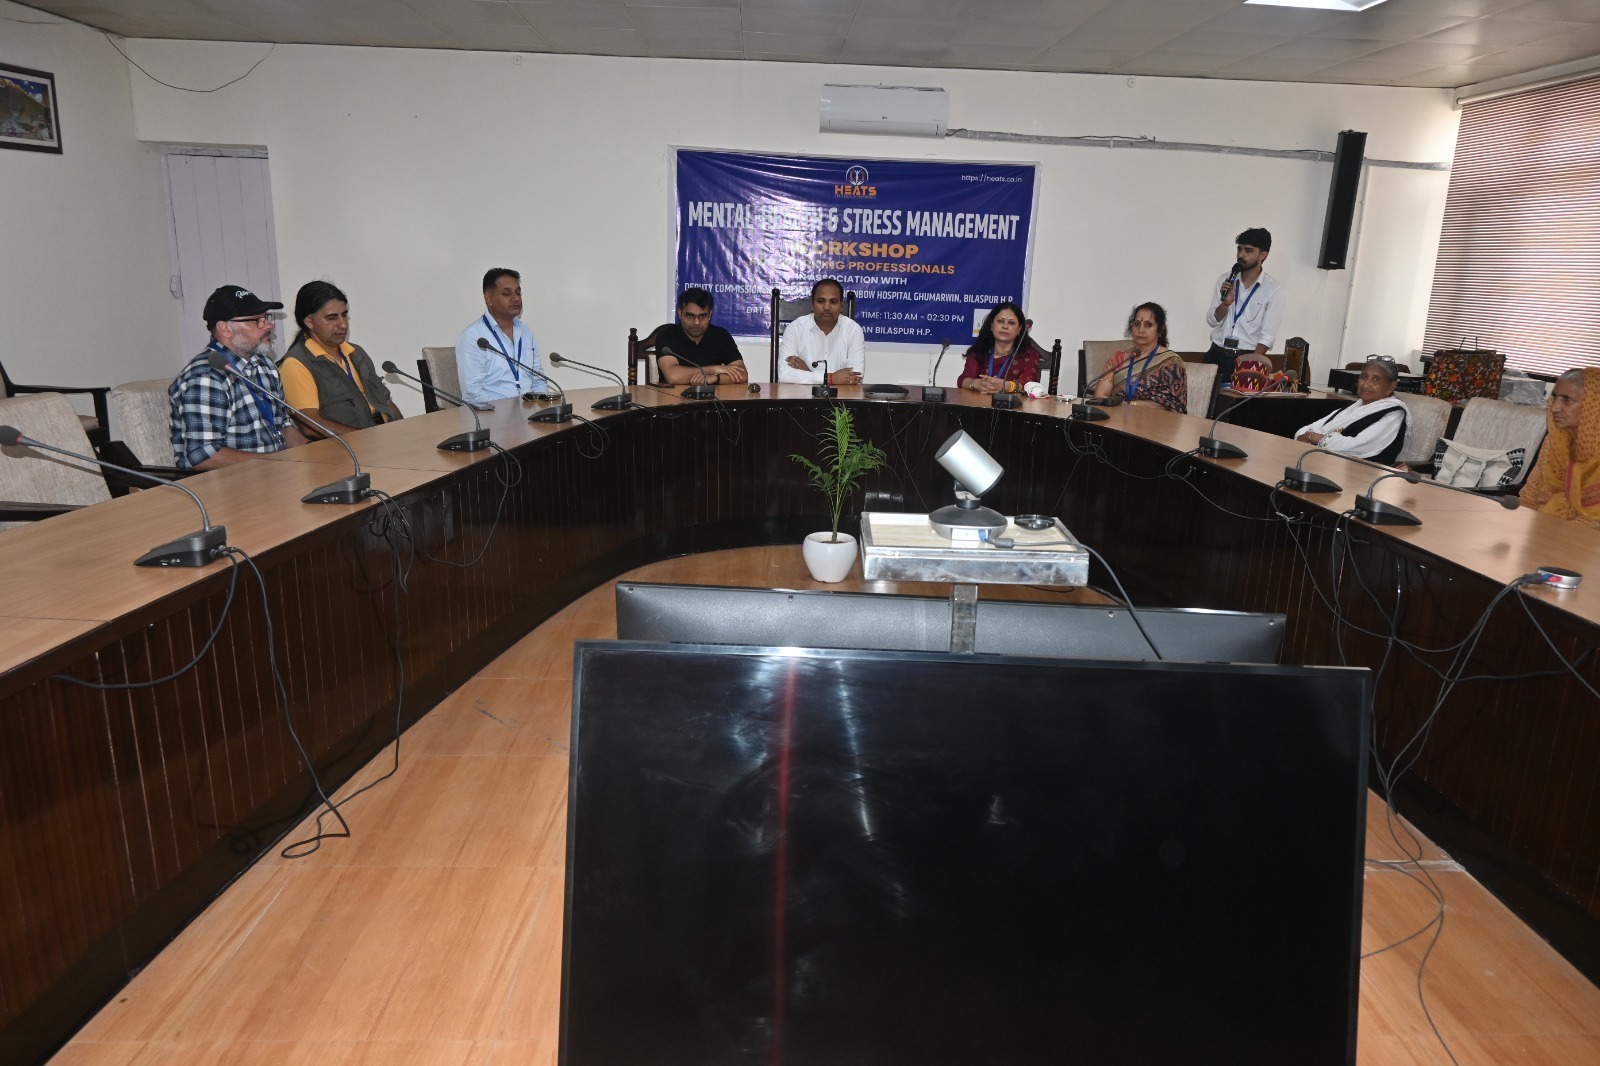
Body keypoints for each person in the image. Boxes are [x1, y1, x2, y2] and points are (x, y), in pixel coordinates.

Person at [169, 284, 309, 470]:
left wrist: (310, 453)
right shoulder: (206, 377)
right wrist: (278, 464)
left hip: (274, 471)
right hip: (230, 480)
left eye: (266, 317)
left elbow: (282, 424)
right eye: (257, 321)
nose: (269, 325)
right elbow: (203, 456)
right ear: (225, 328)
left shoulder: (264, 364)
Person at [279, 281, 401, 437]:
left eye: (344, 315)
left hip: (383, 434)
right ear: (309, 321)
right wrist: (366, 440)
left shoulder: (355, 352)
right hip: (347, 444)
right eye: (332, 318)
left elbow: (386, 401)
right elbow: (311, 424)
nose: (343, 324)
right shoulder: (296, 364)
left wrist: (402, 432)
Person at [1203, 227, 1285, 388]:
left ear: (1263, 255)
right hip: (1216, 354)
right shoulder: (1225, 280)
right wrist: (1225, 303)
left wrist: (1250, 365)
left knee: (1236, 403)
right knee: (1203, 401)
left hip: (1246, 358)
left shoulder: (1273, 290)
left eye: (1248, 250)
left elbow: (1267, 337)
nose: (1241, 255)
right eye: (1239, 249)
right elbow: (1212, 320)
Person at [1520, 368, 1600, 525]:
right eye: (1554, 397)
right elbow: (1530, 494)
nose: (1554, 407)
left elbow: (1594, 519)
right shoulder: (1555, 440)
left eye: (1567, 399)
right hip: (1544, 523)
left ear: (1594, 405)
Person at [456, 268, 547, 404]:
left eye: (518, 292)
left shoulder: (527, 333)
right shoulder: (473, 337)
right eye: (506, 293)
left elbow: (539, 380)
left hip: (529, 411)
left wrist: (539, 407)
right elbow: (473, 393)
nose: (516, 298)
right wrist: (508, 411)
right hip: (494, 413)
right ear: (489, 298)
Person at [1294, 355, 1408, 463]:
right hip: (1325, 461)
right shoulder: (1356, 406)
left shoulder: (1393, 414)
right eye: (1364, 377)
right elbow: (1307, 429)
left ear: (1391, 386)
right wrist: (1309, 437)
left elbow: (1355, 447)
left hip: (1360, 471)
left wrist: (1313, 437)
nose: (1366, 384)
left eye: (1375, 379)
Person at [1093, 302, 1187, 414]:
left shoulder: (1171, 363)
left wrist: (1130, 405)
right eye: (1137, 324)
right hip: (1116, 418)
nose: (1140, 330)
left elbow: (1171, 404)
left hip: (1155, 421)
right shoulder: (1118, 359)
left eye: (1148, 325)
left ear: (1160, 330)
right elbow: (1100, 395)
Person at [653, 287, 747, 386]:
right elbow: (673, 377)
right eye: (690, 316)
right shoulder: (667, 335)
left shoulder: (720, 335)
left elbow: (742, 374)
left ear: (710, 315)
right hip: (672, 395)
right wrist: (713, 369)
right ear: (680, 313)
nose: (696, 322)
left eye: (702, 316)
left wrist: (715, 378)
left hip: (711, 395)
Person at [778, 279, 865, 386]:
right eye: (821, 301)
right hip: (801, 395)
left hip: (841, 396)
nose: (827, 307)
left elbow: (855, 377)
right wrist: (831, 378)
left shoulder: (853, 330)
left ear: (841, 306)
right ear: (812, 305)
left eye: (833, 302)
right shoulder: (795, 328)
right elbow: (785, 374)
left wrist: (808, 373)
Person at [956, 302, 1042, 396]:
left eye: (1011, 323)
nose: (1005, 326)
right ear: (991, 325)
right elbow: (963, 380)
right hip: (979, 403)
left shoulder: (1029, 355)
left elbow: (1030, 384)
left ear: (1019, 329)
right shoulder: (978, 351)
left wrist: (1009, 386)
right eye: (1000, 321)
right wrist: (975, 383)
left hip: (1012, 404)